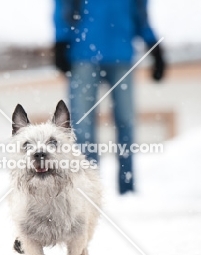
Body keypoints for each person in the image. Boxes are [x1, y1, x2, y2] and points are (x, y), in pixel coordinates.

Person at [53, 0, 165, 194]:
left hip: (121, 54)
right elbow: (63, 6)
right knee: (82, 126)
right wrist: (61, 40)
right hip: (83, 54)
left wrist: (153, 44)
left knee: (125, 120)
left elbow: (140, 12)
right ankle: (88, 188)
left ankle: (127, 187)